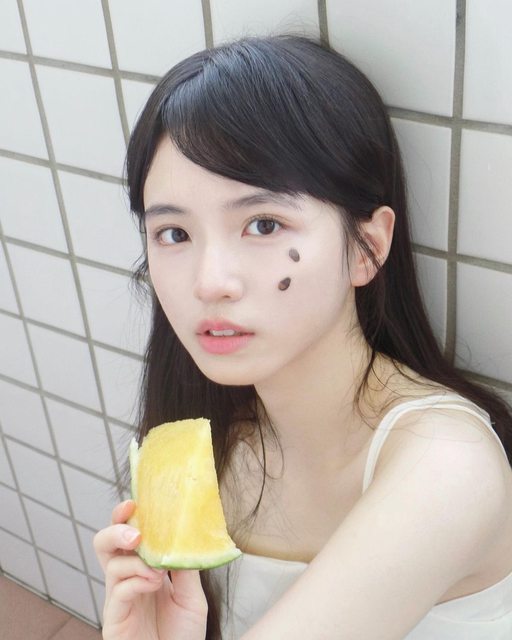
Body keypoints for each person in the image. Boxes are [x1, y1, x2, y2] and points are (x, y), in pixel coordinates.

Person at [93, 35, 512, 639]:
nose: (210, 283)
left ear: (368, 246)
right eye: (174, 234)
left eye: (263, 224)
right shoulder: (216, 443)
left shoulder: (445, 464)